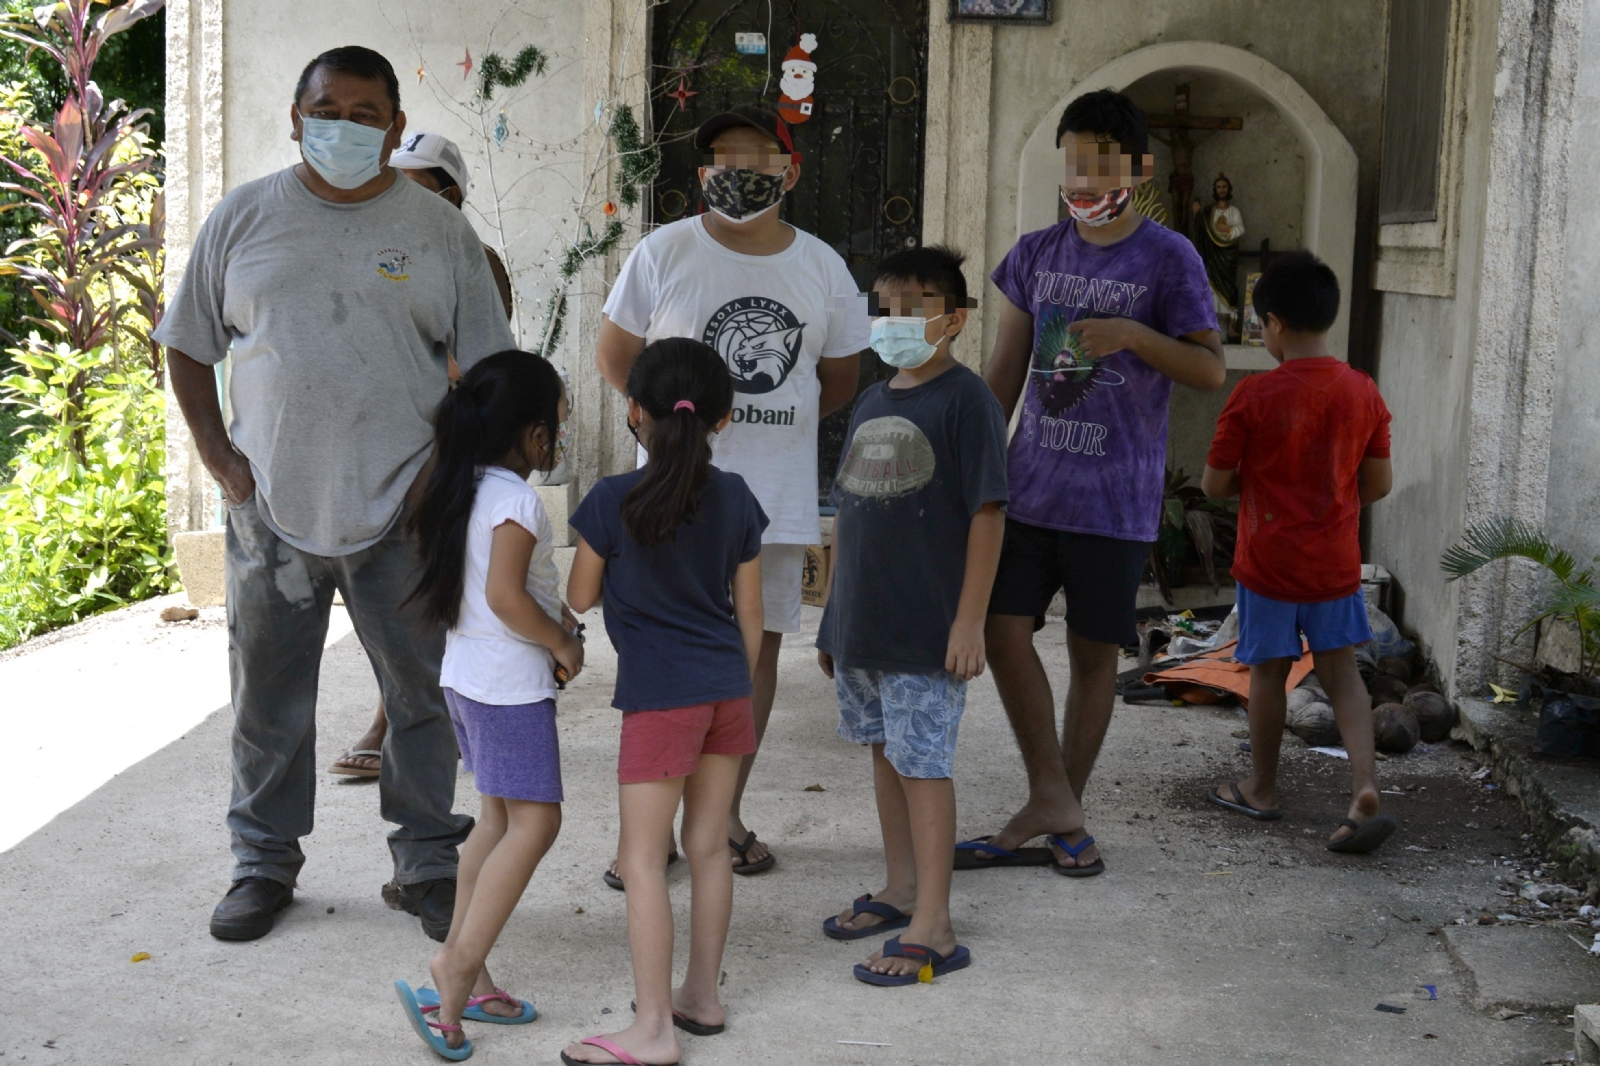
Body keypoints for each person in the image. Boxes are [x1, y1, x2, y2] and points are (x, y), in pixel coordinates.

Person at [157, 45, 516, 942]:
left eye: (367, 114)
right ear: (294, 116)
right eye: (328, 109)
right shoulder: (244, 217)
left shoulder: (439, 232)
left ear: (395, 127)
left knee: (421, 692)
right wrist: (222, 463)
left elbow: (493, 371)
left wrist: (448, 474)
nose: (345, 127)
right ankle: (263, 862)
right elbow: (189, 343)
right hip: (271, 510)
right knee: (267, 697)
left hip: (407, 505)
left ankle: (429, 859)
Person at [595, 105, 868, 883]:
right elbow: (617, 355)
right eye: (720, 157)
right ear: (701, 169)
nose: (736, 171)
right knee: (658, 653)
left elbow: (838, 379)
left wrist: (758, 429)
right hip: (668, 497)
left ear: (792, 170)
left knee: (751, 656)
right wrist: (666, 436)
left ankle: (722, 815)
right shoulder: (663, 251)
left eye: (756, 158)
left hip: (769, 501)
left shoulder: (822, 268)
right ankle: (646, 835)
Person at [969, 89, 1224, 877]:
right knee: (1002, 633)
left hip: (1116, 501)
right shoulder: (1036, 252)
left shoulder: (1170, 257)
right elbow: (1004, 373)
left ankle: (1059, 808)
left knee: (1090, 659)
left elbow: (1210, 369)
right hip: (1030, 489)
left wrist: (1134, 336)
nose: (1083, 177)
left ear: (1137, 168)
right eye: (1074, 161)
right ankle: (1056, 799)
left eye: (1101, 162)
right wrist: (972, 469)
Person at [562, 338, 765, 1066]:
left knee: (644, 860)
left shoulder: (612, 500)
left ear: (632, 413)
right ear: (724, 418)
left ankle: (653, 1030)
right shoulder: (738, 497)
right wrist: (731, 686)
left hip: (659, 699)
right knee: (710, 849)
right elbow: (750, 615)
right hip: (727, 693)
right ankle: (700, 998)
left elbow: (578, 596)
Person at [815, 246, 1007, 985]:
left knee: (924, 764)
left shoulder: (967, 401)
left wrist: (970, 622)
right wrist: (833, 615)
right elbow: (851, 515)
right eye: (884, 307)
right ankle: (900, 888)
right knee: (885, 753)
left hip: (929, 629)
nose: (896, 321)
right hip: (864, 624)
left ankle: (936, 923)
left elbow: (987, 517)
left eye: (917, 305)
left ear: (953, 319)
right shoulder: (871, 400)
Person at [392, 352, 580, 1058]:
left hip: (466, 678)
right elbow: (507, 598)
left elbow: (492, 591)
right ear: (533, 435)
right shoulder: (517, 499)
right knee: (538, 823)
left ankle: (471, 979)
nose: (558, 439)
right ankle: (457, 966)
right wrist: (562, 642)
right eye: (558, 424)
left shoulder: (459, 484)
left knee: (498, 821)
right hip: (507, 684)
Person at [330, 129, 514, 780]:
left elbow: (486, 363)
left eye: (417, 183)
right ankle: (409, 714)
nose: (397, 195)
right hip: (384, 450)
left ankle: (409, 720)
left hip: (446, 450)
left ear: (452, 196)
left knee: (437, 591)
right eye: (393, 178)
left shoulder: (475, 260)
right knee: (398, 595)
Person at [1201, 251, 1397, 854]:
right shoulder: (1362, 392)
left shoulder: (1254, 395)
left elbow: (1214, 484)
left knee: (1268, 674)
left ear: (1275, 323)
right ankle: (1364, 786)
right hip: (1334, 564)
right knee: (1343, 677)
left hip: (1267, 566)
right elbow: (1379, 484)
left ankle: (1261, 788)